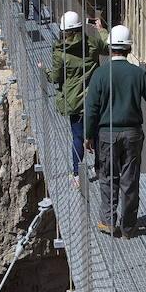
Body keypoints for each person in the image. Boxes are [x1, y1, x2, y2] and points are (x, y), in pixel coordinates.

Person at [84, 25, 146, 237]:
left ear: (109, 47)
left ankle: (108, 221)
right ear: (129, 48)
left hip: (107, 134)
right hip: (133, 134)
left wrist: (88, 135)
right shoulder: (137, 73)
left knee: (108, 176)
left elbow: (91, 109)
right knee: (130, 179)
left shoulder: (100, 74)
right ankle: (128, 225)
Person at [50, 11, 108, 187]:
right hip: (95, 99)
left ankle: (76, 174)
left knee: (77, 136)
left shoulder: (60, 52)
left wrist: (44, 72)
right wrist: (101, 29)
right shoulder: (92, 42)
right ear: (80, 27)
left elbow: (55, 78)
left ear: (64, 31)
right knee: (97, 135)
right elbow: (107, 46)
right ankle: (99, 168)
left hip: (74, 102)